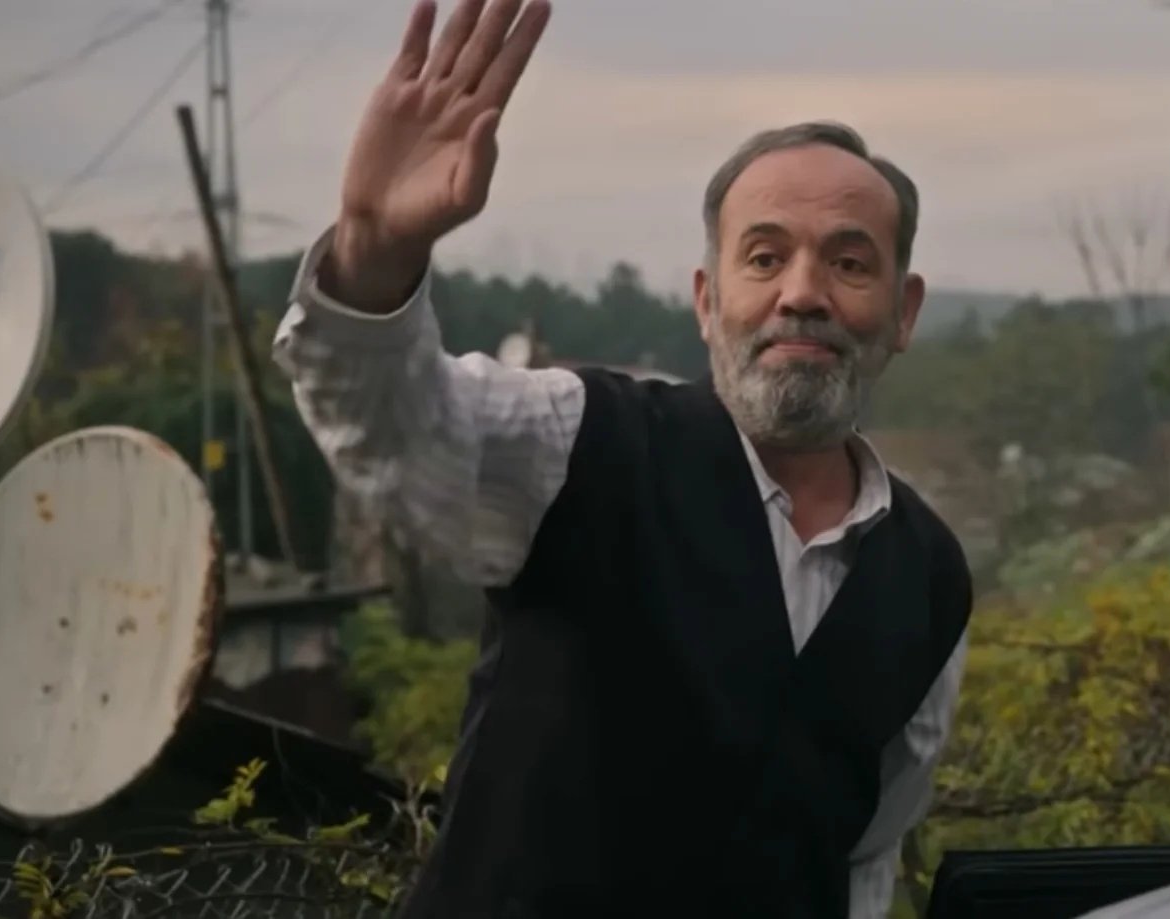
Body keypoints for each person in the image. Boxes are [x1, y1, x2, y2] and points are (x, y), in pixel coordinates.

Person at [272, 0, 972, 916]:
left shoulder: (931, 577)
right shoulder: (583, 444)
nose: (803, 293)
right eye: (764, 258)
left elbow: (862, 856)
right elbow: (397, 431)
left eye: (849, 263)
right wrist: (375, 250)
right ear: (707, 301)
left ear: (903, 310)